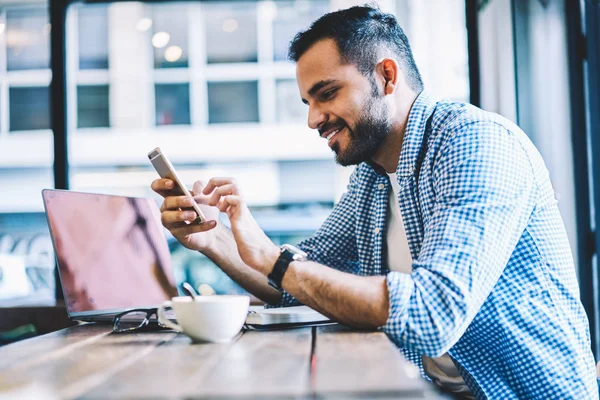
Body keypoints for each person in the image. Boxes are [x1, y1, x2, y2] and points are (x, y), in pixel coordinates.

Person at [151, 5, 598, 399]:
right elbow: (295, 280)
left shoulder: (474, 143)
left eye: (327, 94)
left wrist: (275, 260)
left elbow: (432, 312)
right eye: (307, 101)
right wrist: (212, 238)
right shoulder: (374, 176)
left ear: (386, 75)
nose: (313, 119)